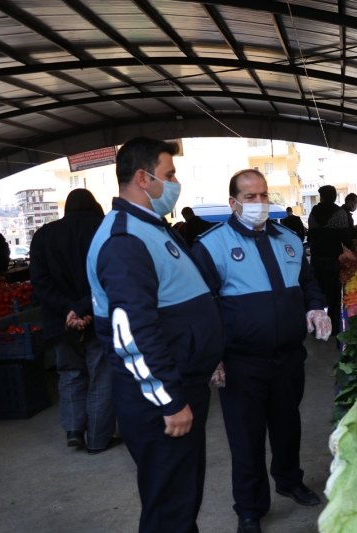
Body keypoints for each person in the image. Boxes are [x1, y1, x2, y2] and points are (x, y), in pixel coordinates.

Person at [86, 137, 224, 533]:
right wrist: (168, 400)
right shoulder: (125, 239)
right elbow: (132, 332)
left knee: (180, 499)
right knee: (169, 508)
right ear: (143, 179)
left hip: (180, 382)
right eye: (170, 174)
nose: (176, 182)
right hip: (158, 399)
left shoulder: (150, 227)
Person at [191, 170, 330, 533]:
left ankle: (289, 480)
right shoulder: (211, 244)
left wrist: (315, 307)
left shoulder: (289, 239)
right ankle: (250, 508)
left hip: (288, 356)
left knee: (288, 425)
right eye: (249, 197)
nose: (259, 203)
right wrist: (211, 354)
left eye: (264, 196)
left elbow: (308, 283)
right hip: (241, 361)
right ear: (233, 202)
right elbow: (200, 305)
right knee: (246, 436)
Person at [30, 189, 117, 453]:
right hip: (98, 317)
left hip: (61, 321)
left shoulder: (43, 235)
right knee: (101, 375)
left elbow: (40, 283)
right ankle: (99, 439)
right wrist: (83, 309)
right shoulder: (105, 230)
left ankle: (74, 431)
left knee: (69, 373)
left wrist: (68, 310)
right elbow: (110, 276)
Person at [307, 185, 355, 336]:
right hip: (331, 259)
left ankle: (315, 326)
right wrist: (353, 248)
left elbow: (311, 235)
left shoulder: (314, 212)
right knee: (333, 294)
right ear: (334, 196)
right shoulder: (339, 213)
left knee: (317, 292)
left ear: (322, 197)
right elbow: (345, 236)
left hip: (315, 258)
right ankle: (333, 327)